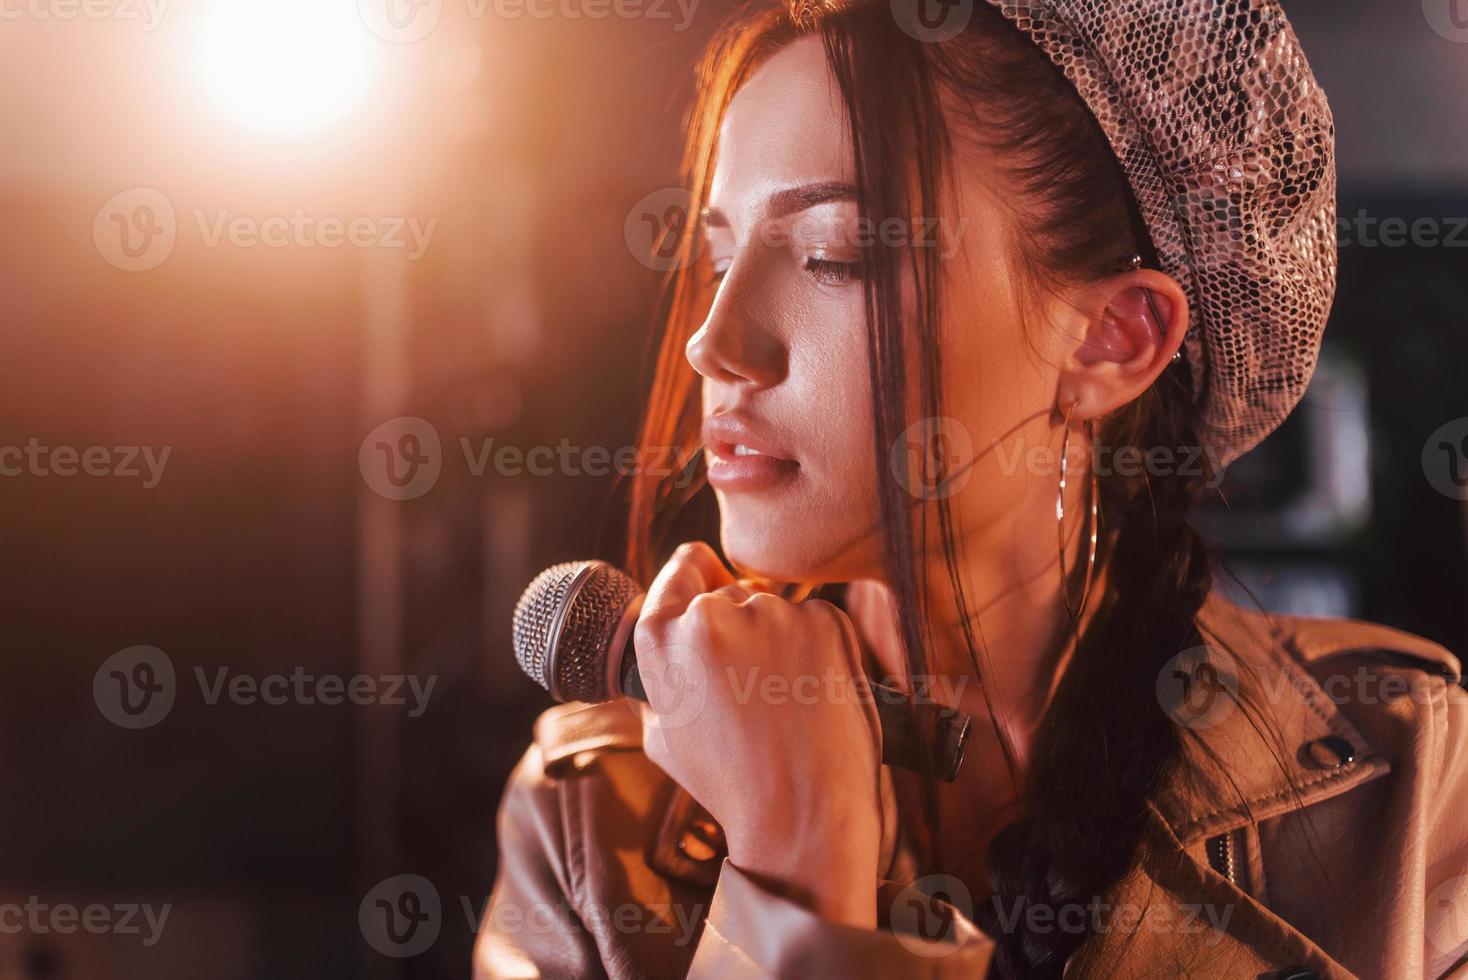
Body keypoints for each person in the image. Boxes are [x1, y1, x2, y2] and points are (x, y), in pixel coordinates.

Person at [475, 0, 1468, 975]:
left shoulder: (1409, 792)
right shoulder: (589, 820)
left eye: (834, 255)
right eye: (718, 256)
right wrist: (792, 863)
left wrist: (798, 883)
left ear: (1112, 339)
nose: (712, 340)